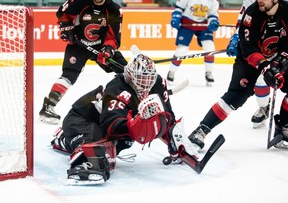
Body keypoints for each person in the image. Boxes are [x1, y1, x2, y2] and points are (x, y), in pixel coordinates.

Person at [51, 53, 200, 184]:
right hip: (82, 119)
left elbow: (166, 115)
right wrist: (138, 125)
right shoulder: (116, 87)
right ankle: (81, 161)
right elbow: (111, 125)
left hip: (105, 124)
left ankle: (67, 139)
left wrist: (175, 142)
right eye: (141, 79)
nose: (145, 85)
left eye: (149, 79)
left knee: (123, 143)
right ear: (130, 76)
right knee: (95, 138)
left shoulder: (158, 83)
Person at [189, 0, 288, 150]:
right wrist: (265, 66)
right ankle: (201, 130)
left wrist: (282, 60)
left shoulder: (286, 11)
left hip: (275, 57)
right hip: (250, 59)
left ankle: (284, 127)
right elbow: (249, 49)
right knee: (236, 96)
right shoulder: (252, 13)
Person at [39, 0, 127, 125]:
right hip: (78, 46)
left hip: (100, 47)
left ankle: (131, 104)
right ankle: (48, 107)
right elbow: (62, 13)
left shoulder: (114, 10)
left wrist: (108, 50)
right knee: (69, 75)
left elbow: (113, 38)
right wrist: (66, 27)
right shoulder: (79, 0)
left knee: (124, 69)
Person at [226, 0, 288, 128]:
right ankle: (264, 107)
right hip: (263, 42)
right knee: (262, 77)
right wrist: (238, 37)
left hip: (283, 43)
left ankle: (284, 124)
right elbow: (244, 19)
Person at [166, 0, 220, 87]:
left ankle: (209, 72)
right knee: (182, 49)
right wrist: (176, 18)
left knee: (209, 47)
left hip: (203, 25)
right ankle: (171, 72)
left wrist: (213, 22)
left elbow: (213, 14)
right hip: (187, 23)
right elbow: (179, 8)